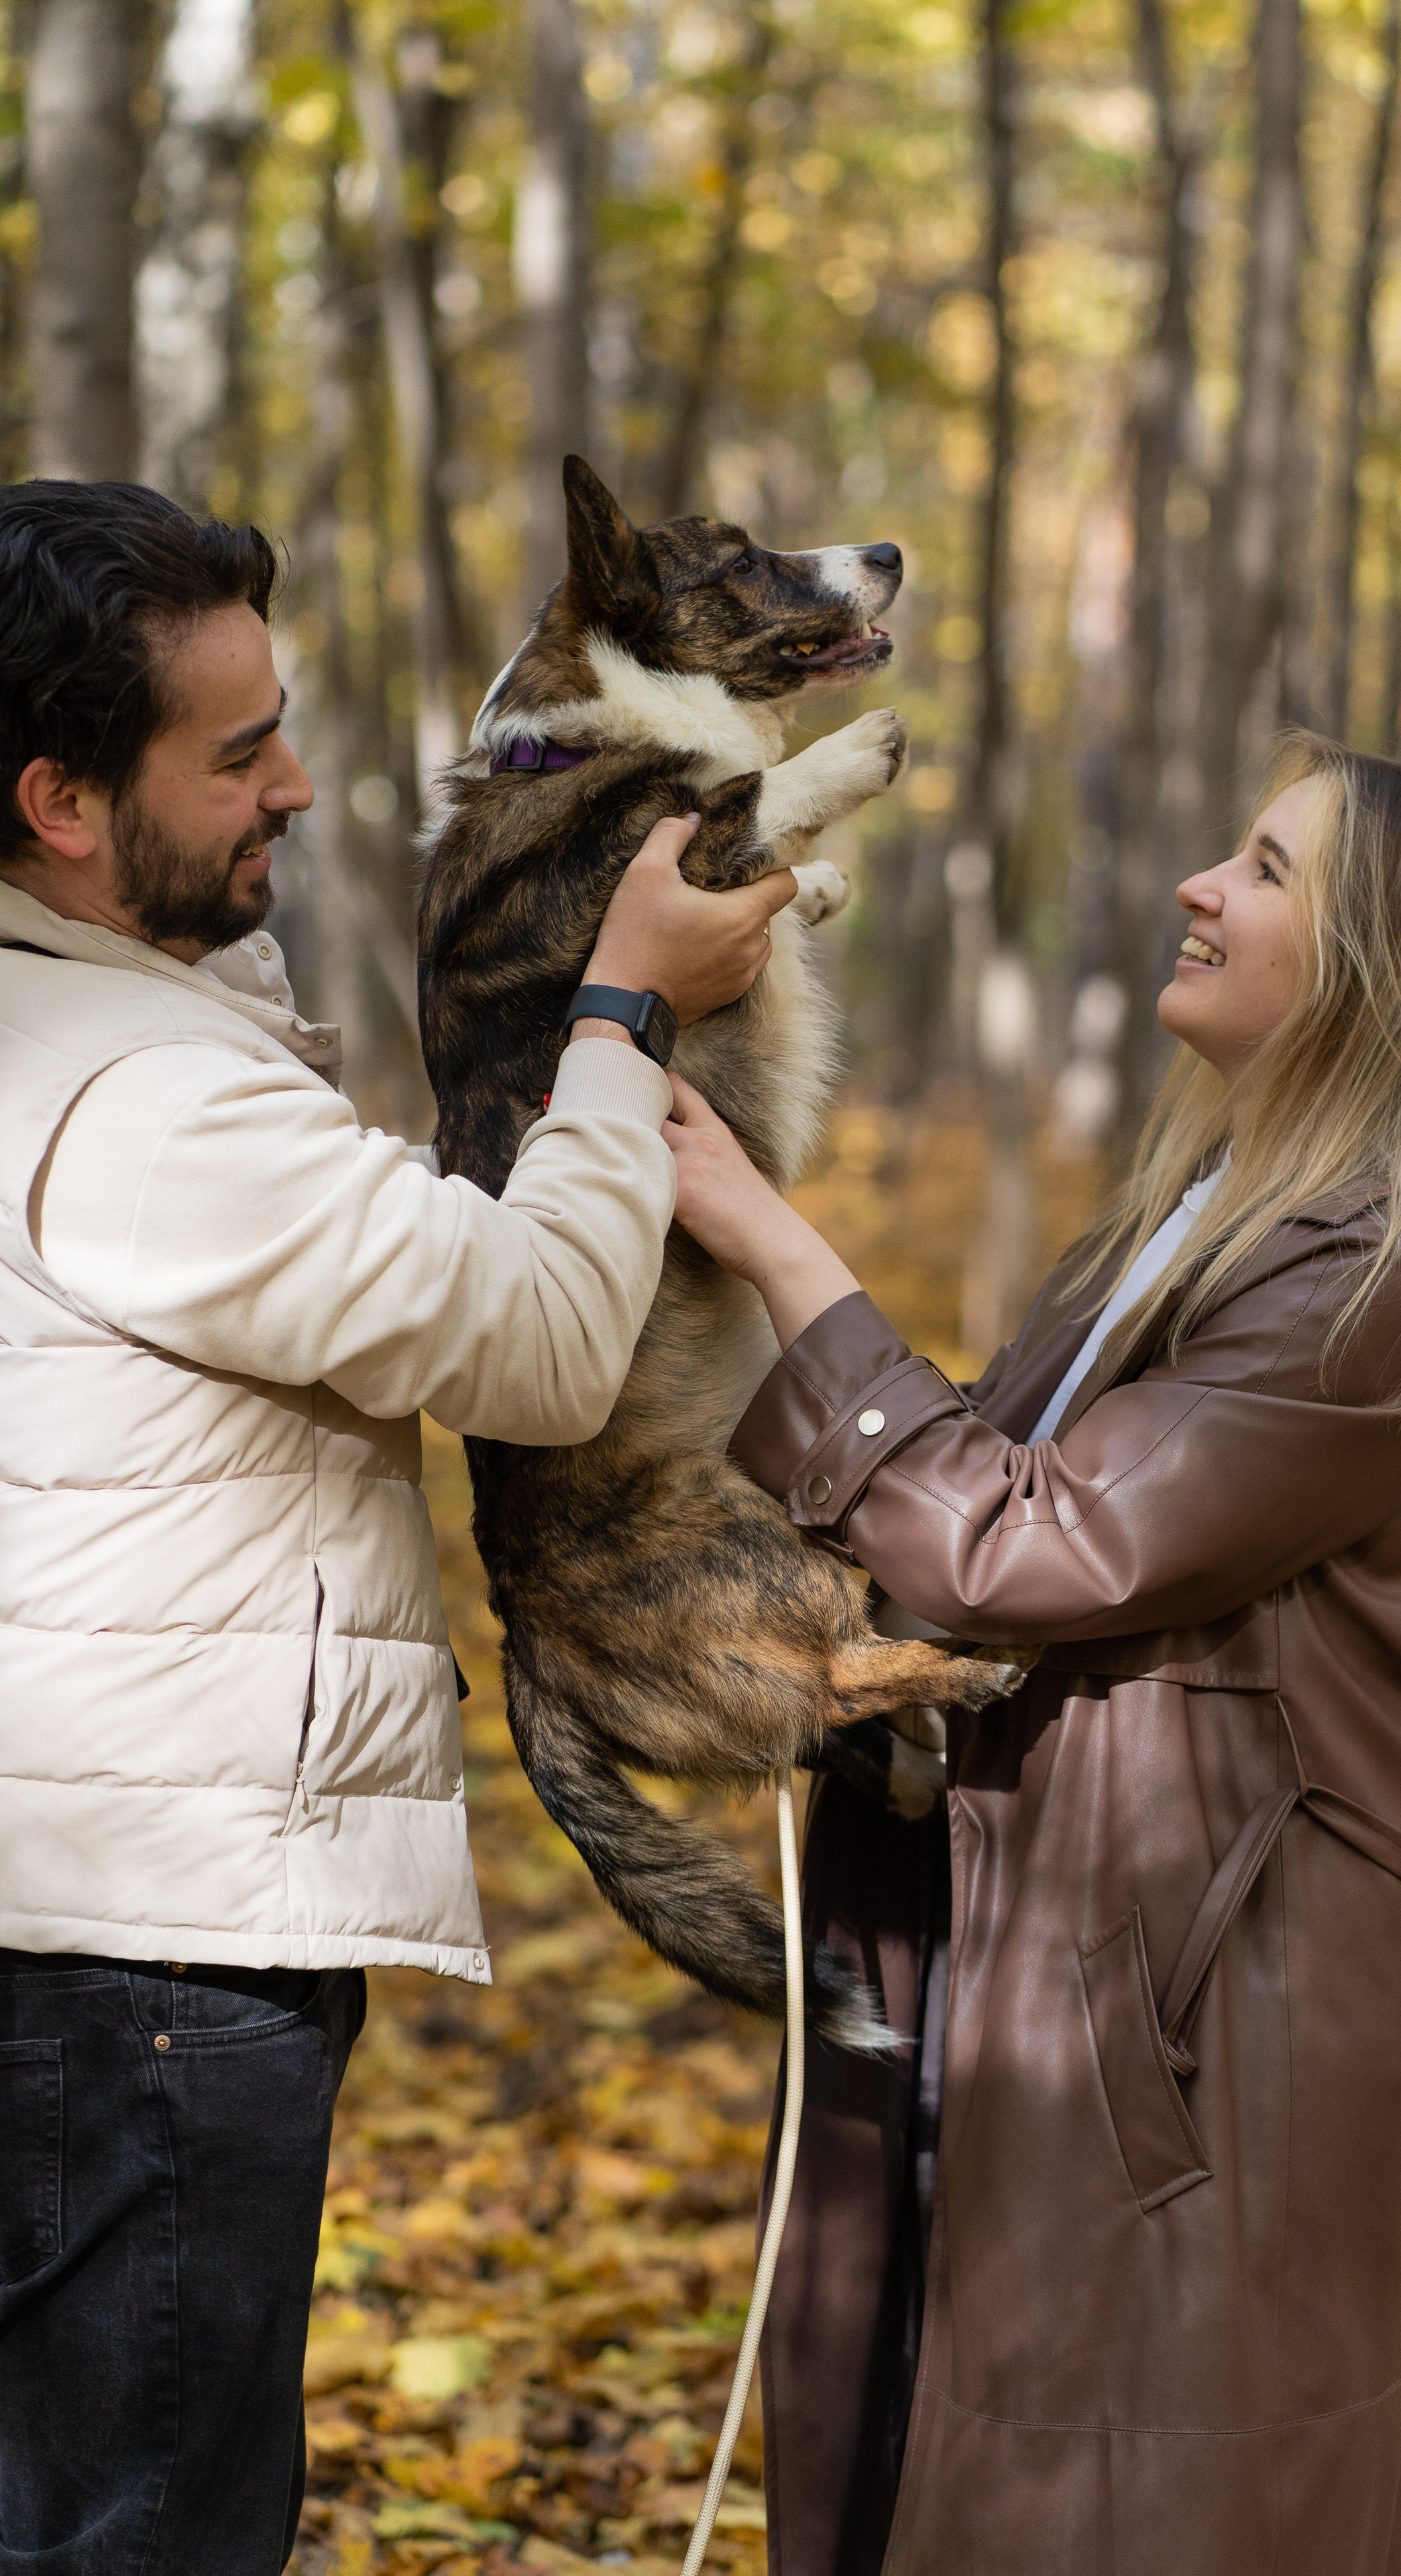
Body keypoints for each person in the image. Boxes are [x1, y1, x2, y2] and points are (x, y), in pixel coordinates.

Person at [0, 478, 794, 2574]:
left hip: (67, 1914)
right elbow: (538, 1344)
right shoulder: (147, 1102)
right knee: (147, 2531)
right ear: (61, 804)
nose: (298, 785)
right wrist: (619, 1016)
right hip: (143, 1960)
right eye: (237, 752)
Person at [663, 737, 1401, 2576]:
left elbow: (1032, 1541)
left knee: (1142, 2496)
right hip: (1039, 1956)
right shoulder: (1196, 1224)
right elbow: (957, 1515)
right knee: (949, 2454)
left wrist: (771, 1239)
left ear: (1382, 968)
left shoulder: (1373, 1278)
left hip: (1198, 2018)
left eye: (1267, 870)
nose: (1197, 888)